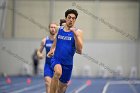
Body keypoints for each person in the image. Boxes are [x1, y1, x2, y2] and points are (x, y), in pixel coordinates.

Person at [47, 9, 83, 93]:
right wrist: (52, 49)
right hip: (56, 59)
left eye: (73, 18)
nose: (71, 20)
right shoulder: (59, 29)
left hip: (68, 64)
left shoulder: (78, 32)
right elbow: (56, 40)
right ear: (66, 18)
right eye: (69, 17)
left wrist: (76, 36)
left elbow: (80, 50)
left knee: (62, 89)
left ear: (75, 20)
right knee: (58, 73)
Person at [37, 23, 57, 93]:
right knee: (48, 83)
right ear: (49, 28)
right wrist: (40, 55)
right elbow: (39, 51)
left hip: (57, 66)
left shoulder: (59, 40)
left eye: (54, 27)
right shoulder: (45, 40)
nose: (53, 29)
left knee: (56, 87)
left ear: (56, 29)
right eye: (51, 27)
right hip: (48, 65)